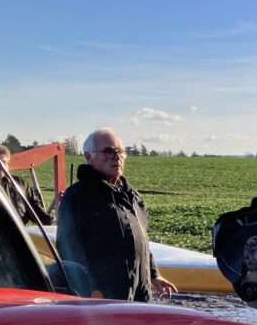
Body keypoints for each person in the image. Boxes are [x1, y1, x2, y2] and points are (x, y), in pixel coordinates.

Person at [56, 128, 177, 301]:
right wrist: (90, 288)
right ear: (88, 156)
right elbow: (68, 247)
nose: (116, 156)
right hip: (103, 297)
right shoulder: (79, 197)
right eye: (107, 151)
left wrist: (154, 274)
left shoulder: (132, 196)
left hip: (139, 293)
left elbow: (141, 240)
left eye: (120, 151)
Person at [0, 144, 58, 225]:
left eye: (4, 162)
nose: (0, 165)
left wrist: (52, 222)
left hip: (20, 234)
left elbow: (35, 209)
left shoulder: (20, 184)